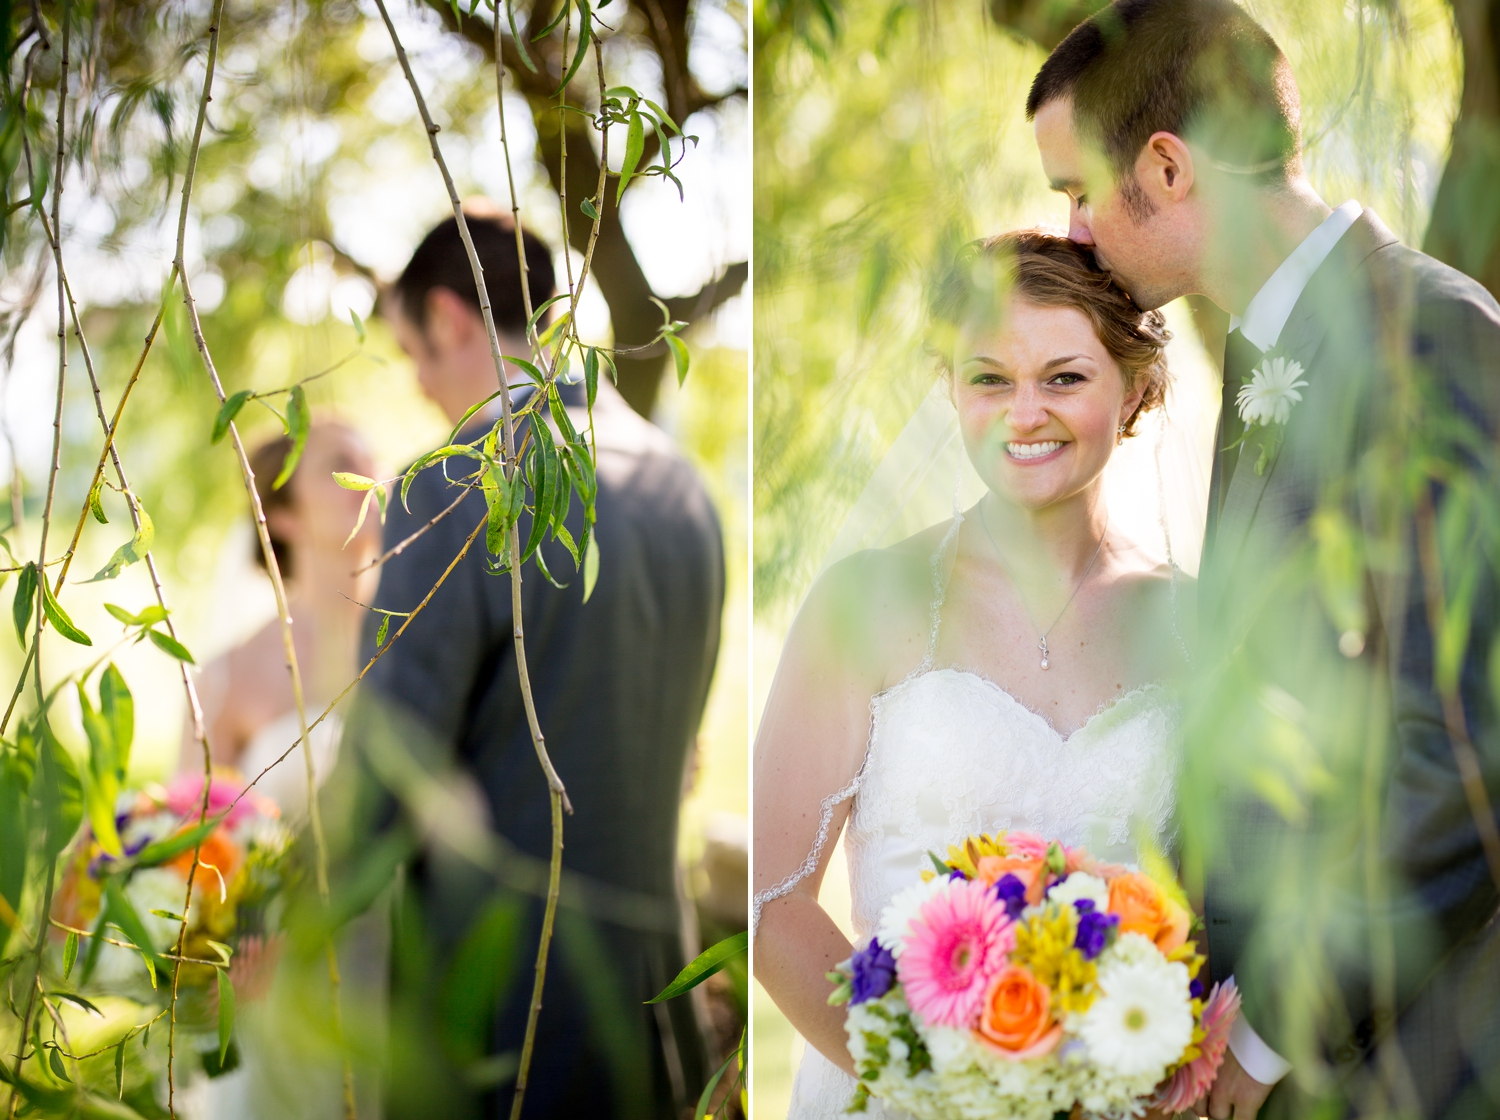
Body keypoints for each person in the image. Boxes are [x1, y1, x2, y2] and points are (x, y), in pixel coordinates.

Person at [1028, 2, 1500, 1117]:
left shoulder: (1429, 337)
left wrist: (1274, 1028)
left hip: (1414, 1053)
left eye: (1080, 193)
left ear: (1168, 166)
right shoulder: (1268, 351)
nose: (1074, 234)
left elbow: (1465, 745)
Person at [752, 230, 1184, 1118]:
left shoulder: (1195, 624)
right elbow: (772, 900)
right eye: (989, 378)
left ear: (1136, 387)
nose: (1024, 414)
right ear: (950, 385)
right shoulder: (869, 599)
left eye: (1064, 378)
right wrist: (945, 1087)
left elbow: (1213, 913)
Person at [344, 204, 723, 1119]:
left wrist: (287, 910)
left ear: (449, 319)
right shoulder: (681, 486)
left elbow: (385, 768)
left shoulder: (452, 483)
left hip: (498, 1009)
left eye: (412, 354)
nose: (420, 386)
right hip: (657, 1002)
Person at [178, 420, 385, 1120]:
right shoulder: (232, 675)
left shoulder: (424, 635)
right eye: (340, 465)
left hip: (406, 961)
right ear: (284, 516)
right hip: (282, 977)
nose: (371, 478)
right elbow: (192, 850)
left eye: (371, 459)